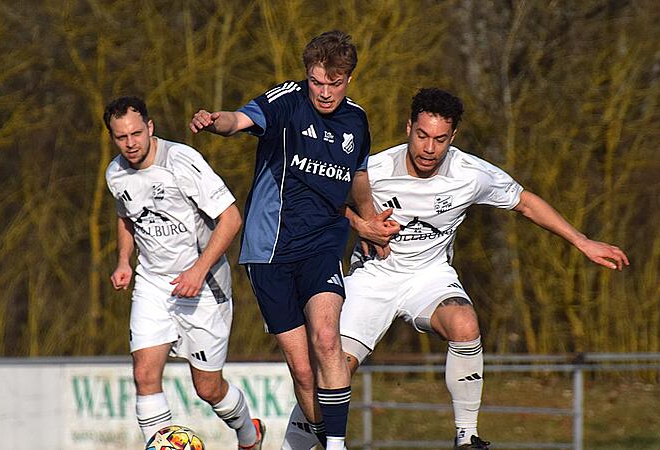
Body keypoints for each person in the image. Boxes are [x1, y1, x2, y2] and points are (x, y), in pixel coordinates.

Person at [281, 88, 630, 450]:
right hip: (373, 276)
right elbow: (319, 199)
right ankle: (294, 443)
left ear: (452, 137)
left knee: (465, 323)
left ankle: (466, 436)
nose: (429, 148)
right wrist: (361, 224)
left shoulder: (471, 173)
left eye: (439, 139)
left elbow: (524, 202)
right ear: (408, 128)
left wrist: (582, 241)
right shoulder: (374, 169)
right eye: (422, 135)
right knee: (333, 369)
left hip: (430, 277)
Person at [190, 30, 392, 450]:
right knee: (302, 372)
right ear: (307, 75)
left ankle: (336, 446)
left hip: (322, 245)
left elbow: (357, 176)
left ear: (348, 80)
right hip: (269, 252)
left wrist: (369, 222)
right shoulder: (287, 101)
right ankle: (321, 441)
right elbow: (239, 120)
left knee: (326, 339)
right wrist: (216, 122)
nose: (324, 92)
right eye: (316, 81)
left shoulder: (356, 119)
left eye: (333, 84)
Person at [104, 96, 265, 449]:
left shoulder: (183, 162)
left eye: (135, 133)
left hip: (204, 285)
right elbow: (126, 216)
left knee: (208, 388)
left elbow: (231, 218)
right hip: (153, 282)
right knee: (145, 376)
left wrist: (197, 270)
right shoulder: (115, 173)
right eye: (121, 137)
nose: (130, 143)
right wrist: (123, 260)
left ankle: (249, 435)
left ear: (150, 127)